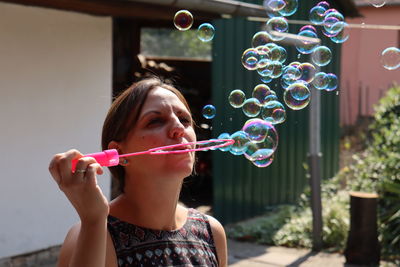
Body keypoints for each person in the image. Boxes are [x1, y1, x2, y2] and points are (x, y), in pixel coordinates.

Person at [48, 77, 228, 267]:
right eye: (155, 121)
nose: (178, 129)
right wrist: (93, 220)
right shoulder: (94, 235)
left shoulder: (211, 232)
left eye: (184, 119)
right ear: (119, 153)